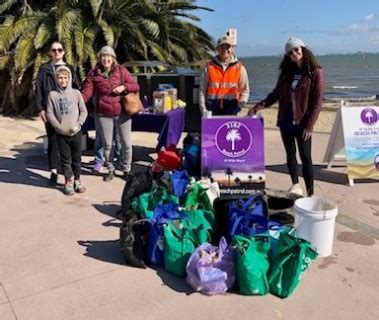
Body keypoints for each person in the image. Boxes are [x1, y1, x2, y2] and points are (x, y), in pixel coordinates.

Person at [249, 37, 325, 196]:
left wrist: (310, 124)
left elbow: (317, 102)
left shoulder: (315, 72)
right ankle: (295, 185)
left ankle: (310, 193)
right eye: (290, 52)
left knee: (306, 157)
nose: (294, 53)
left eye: (296, 49)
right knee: (290, 155)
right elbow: (275, 94)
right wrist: (258, 106)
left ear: (303, 49)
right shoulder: (286, 73)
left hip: (302, 123)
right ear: (287, 56)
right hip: (285, 121)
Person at [81, 46, 140, 181]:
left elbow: (135, 86)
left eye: (108, 56)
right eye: (103, 56)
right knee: (107, 145)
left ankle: (126, 169)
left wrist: (124, 87)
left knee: (126, 143)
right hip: (103, 114)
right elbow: (87, 92)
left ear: (113, 58)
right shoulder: (94, 74)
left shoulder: (121, 71)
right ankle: (111, 169)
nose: (106, 59)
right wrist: (78, 101)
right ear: (100, 58)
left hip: (122, 113)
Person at [35, 41, 80, 184]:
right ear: (50, 52)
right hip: (50, 110)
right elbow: (38, 90)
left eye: (59, 49)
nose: (57, 52)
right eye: (54, 50)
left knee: (70, 143)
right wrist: (40, 109)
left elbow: (77, 87)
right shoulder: (44, 69)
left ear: (64, 52)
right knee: (53, 140)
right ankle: (53, 171)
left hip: (68, 111)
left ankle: (72, 174)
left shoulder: (70, 69)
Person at [46, 66, 88, 195]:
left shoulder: (76, 93)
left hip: (76, 132)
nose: (63, 80)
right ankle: (68, 181)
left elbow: (83, 111)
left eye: (65, 77)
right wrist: (58, 127)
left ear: (69, 78)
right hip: (61, 134)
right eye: (60, 78)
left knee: (77, 158)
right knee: (66, 159)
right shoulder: (52, 95)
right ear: (56, 79)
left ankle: (78, 180)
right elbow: (49, 114)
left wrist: (79, 124)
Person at [199, 35, 250, 116]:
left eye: (228, 47)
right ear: (217, 49)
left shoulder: (240, 68)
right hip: (212, 110)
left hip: (231, 109)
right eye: (222, 47)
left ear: (232, 49)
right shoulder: (208, 67)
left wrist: (240, 106)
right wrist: (203, 110)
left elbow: (245, 90)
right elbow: (202, 91)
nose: (225, 49)